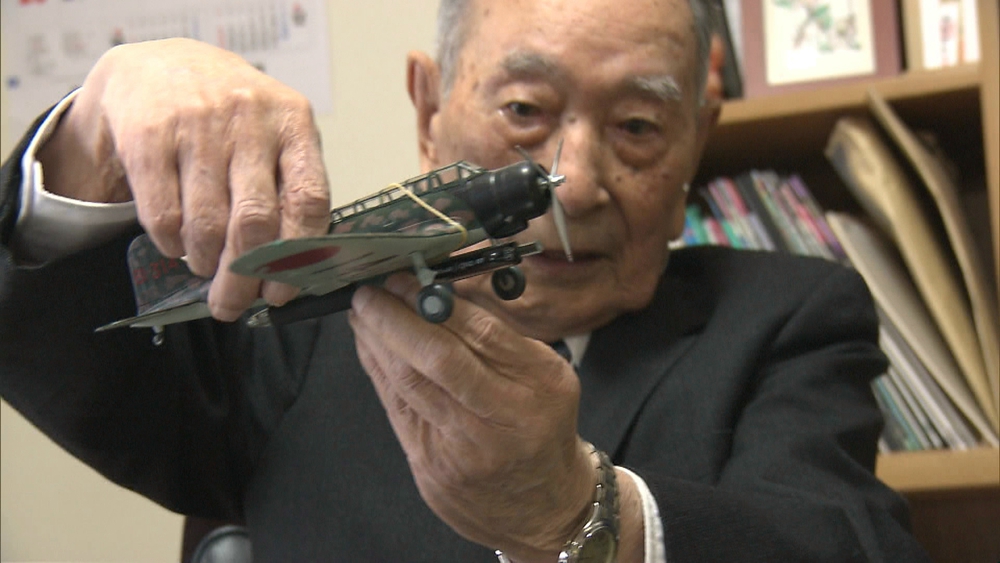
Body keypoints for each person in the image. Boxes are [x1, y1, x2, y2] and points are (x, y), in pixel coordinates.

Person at [0, 0, 931, 561]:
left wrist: (579, 513)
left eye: (639, 127)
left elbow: (851, 546)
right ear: (427, 108)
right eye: (525, 110)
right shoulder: (287, 332)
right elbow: (54, 344)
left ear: (699, 136)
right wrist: (88, 138)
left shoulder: (791, 316)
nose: (576, 181)